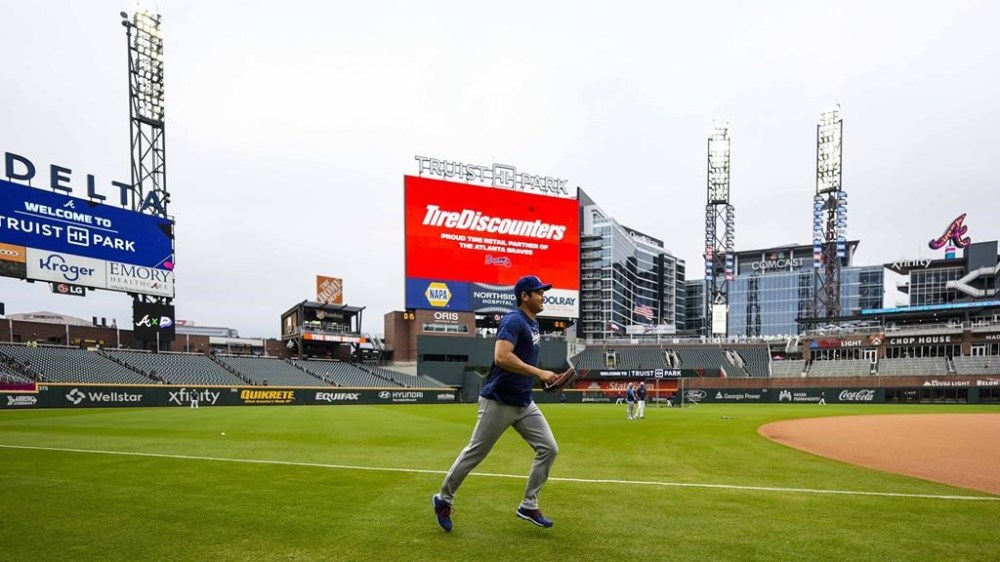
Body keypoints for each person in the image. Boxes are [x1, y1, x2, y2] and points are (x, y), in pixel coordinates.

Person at [433, 275, 560, 532]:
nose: (542, 295)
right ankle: (443, 499)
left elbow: (519, 365)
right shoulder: (514, 321)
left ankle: (528, 504)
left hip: (523, 403)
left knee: (549, 448)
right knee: (475, 453)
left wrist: (543, 381)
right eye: (539, 291)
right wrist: (538, 372)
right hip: (498, 401)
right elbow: (502, 357)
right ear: (525, 296)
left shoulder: (534, 324)